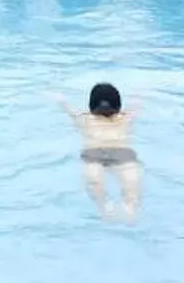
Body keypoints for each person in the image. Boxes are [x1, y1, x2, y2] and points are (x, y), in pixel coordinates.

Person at [57, 82, 142, 221]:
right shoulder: (125, 118)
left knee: (95, 183)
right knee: (131, 185)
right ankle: (129, 209)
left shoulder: (84, 118)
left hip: (94, 154)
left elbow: (68, 108)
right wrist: (139, 93)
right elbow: (135, 106)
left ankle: (105, 208)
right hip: (121, 153)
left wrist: (60, 99)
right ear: (118, 106)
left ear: (91, 106)